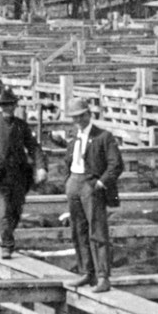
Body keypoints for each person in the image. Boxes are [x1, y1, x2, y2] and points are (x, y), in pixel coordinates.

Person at [62, 98, 123, 293]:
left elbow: (116, 165)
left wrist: (100, 182)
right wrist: (69, 181)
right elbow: (68, 160)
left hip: (91, 185)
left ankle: (103, 276)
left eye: (81, 116)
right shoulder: (74, 138)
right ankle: (86, 272)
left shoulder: (103, 137)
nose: (78, 120)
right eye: (75, 117)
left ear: (89, 114)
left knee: (97, 232)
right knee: (78, 230)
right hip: (74, 182)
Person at [0, 87, 47, 259]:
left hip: (19, 176)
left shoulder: (21, 126)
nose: (8, 108)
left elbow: (33, 147)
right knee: (2, 211)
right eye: (4, 105)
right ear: (0, 107)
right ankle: (7, 245)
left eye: (10, 105)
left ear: (15, 106)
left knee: (15, 212)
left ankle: (7, 237)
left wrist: (40, 167)